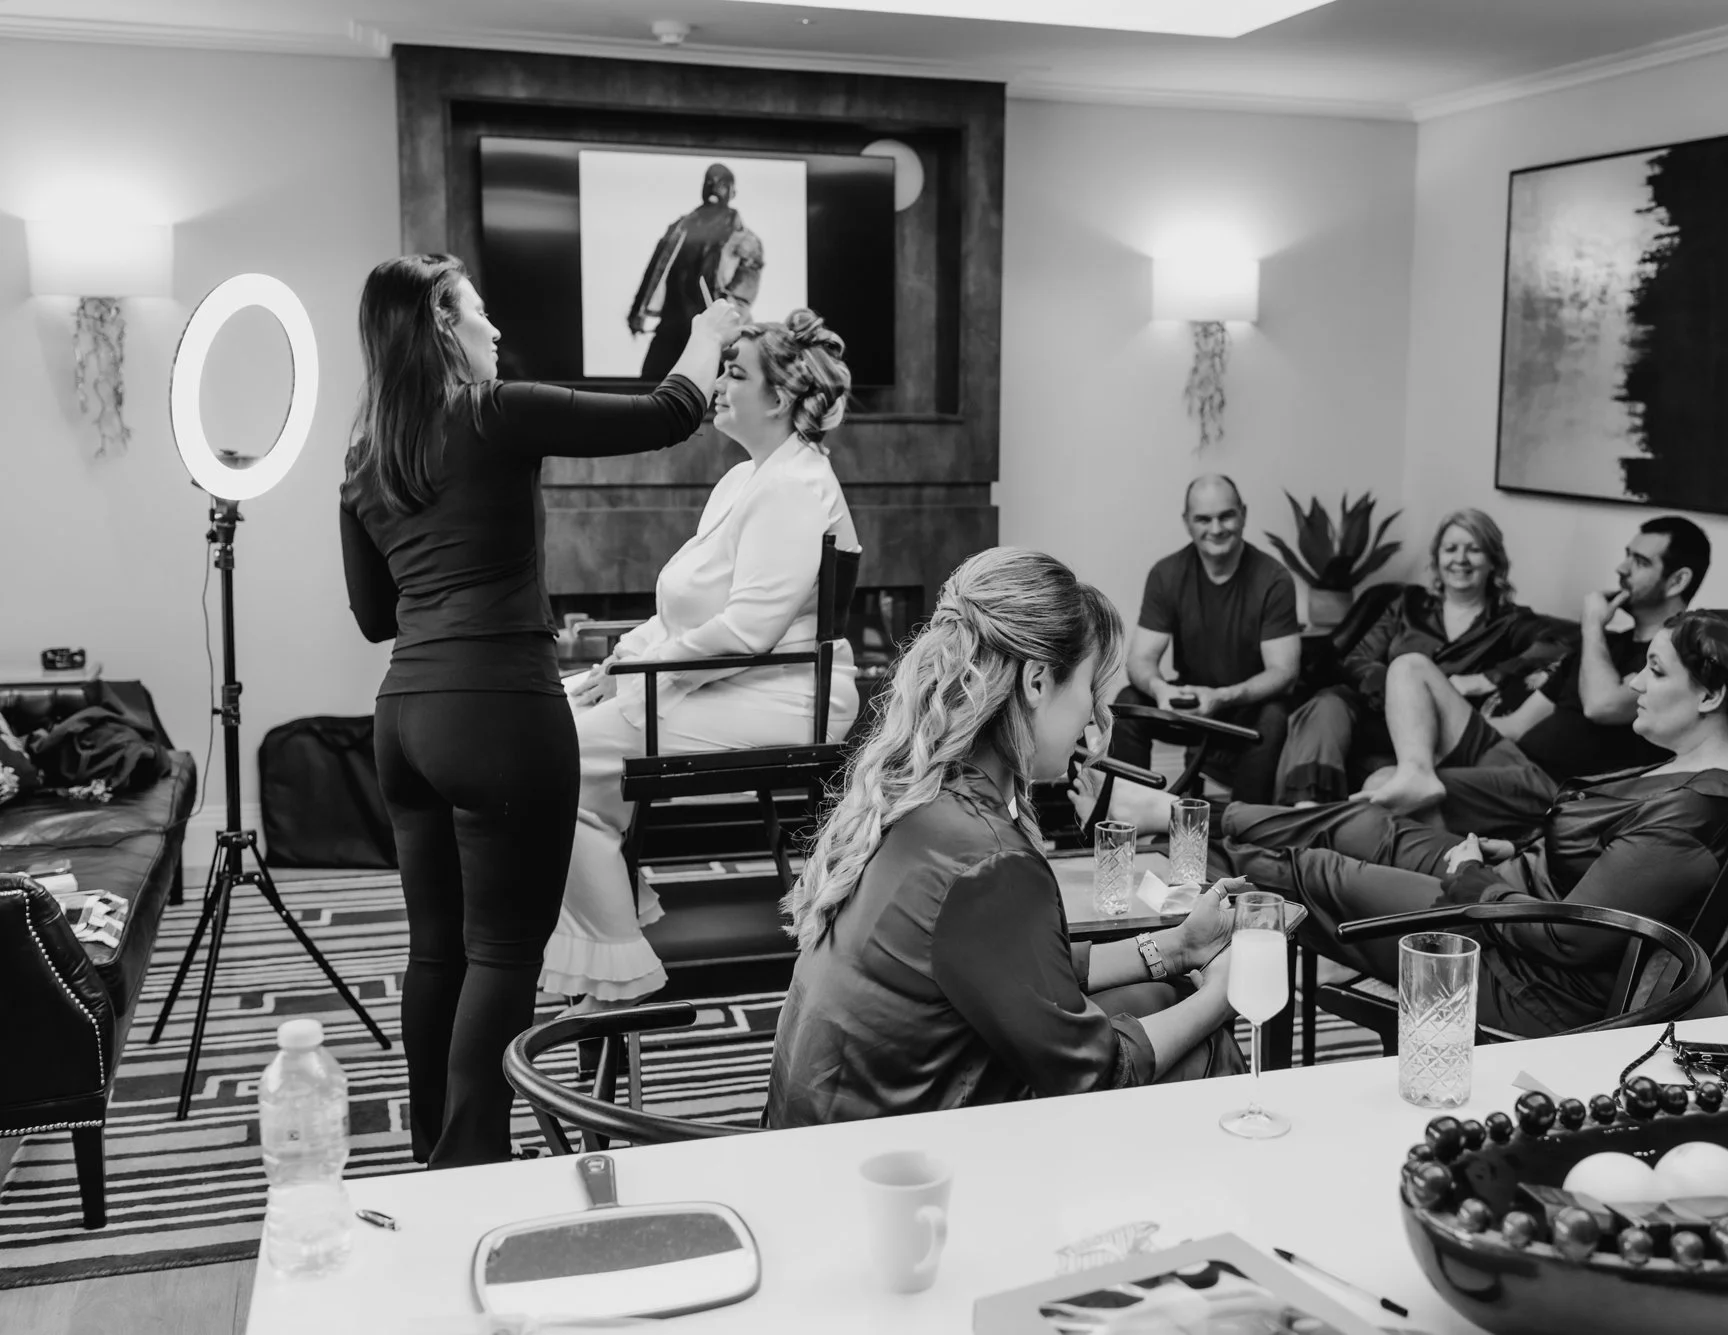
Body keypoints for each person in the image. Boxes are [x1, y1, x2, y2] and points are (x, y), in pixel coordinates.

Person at [340, 253, 738, 1169]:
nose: (496, 333)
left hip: (404, 718)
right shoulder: (495, 411)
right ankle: (470, 1172)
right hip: (499, 715)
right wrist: (706, 336)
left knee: (437, 948)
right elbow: (668, 415)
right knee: (505, 952)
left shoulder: (365, 456)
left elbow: (373, 618)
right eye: (480, 316)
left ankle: (436, 1147)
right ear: (444, 324)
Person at [1084, 609, 1728, 1037]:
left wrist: (1473, 870)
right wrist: (1512, 850)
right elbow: (1614, 867)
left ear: (1713, 692)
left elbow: (1573, 936)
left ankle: (1192, 896)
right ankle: (1187, 845)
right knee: (1362, 826)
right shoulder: (1709, 772)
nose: (1634, 680)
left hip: (1521, 969)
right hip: (1513, 890)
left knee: (1322, 873)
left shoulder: (1698, 811)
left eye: (1654, 670)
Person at [764, 548, 1245, 1128]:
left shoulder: (916, 794)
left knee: (1157, 999)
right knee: (1199, 1037)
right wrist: (1227, 991)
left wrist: (1176, 949)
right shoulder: (988, 857)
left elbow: (1013, 969)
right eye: (1090, 689)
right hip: (892, 1172)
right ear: (1037, 681)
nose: (1095, 722)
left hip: (820, 1136)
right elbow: (1097, 1074)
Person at [544, 310, 861, 1007]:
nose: (716, 384)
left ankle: (617, 970)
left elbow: (746, 629)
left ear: (777, 399)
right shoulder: (743, 480)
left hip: (785, 695)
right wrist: (618, 663)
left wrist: (635, 680)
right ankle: (614, 921)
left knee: (551, 759)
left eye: (734, 372)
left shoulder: (794, 486)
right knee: (553, 721)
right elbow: (680, 614)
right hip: (728, 679)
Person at [1363, 516, 1711, 837]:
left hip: (1554, 787)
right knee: (1410, 666)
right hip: (1515, 758)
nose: (1621, 568)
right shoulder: (1604, 647)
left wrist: (1590, 624)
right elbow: (1517, 725)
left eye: (1640, 561)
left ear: (1677, 580)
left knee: (1382, 787)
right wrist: (1430, 734)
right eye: (1627, 555)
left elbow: (1602, 705)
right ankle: (1417, 771)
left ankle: (1438, 844)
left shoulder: (1673, 655)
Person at [1274, 508, 1570, 805]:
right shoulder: (1408, 604)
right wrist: (1392, 689)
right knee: (1326, 704)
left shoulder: (1509, 623)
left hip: (1432, 735)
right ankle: (1306, 810)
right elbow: (1358, 659)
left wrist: (1485, 679)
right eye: (1450, 549)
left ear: (1493, 561)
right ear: (1437, 558)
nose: (1460, 559)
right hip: (1373, 713)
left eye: (1474, 550)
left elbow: (1563, 644)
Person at [1108, 475, 1301, 802]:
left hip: (1246, 706)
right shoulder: (1166, 574)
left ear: (1243, 514)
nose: (1216, 529)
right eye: (1203, 519)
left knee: (1275, 715)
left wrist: (1224, 696)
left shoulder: (1274, 578)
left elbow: (1284, 672)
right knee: (1128, 701)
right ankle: (1132, 815)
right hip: (1191, 706)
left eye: (1226, 516)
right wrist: (1161, 690)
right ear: (1187, 522)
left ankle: (1242, 835)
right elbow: (1141, 659)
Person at [628, 163, 764, 381]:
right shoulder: (678, 229)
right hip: (671, 329)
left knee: (714, 395)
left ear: (732, 191)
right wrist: (637, 311)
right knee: (650, 390)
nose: (713, 187)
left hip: (713, 335)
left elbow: (742, 299)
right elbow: (654, 272)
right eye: (709, 181)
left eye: (721, 183)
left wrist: (722, 334)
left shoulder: (747, 241)